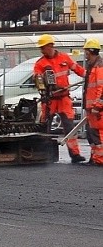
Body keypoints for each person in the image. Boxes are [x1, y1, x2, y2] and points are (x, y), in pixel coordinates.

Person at [33, 34, 86, 163]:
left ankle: (75, 154)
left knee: (69, 127)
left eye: (43, 47)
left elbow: (78, 69)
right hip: (50, 99)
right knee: (45, 126)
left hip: (63, 98)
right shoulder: (40, 63)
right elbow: (38, 80)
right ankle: (43, 153)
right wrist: (44, 88)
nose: (41, 50)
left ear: (50, 46)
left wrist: (89, 76)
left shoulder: (64, 58)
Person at [81, 38, 102, 166]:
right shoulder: (92, 67)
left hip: (97, 109)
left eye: (87, 51)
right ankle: (95, 158)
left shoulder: (99, 67)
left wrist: (97, 106)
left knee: (98, 134)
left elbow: (102, 88)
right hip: (91, 108)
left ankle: (100, 159)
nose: (85, 54)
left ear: (92, 51)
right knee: (91, 134)